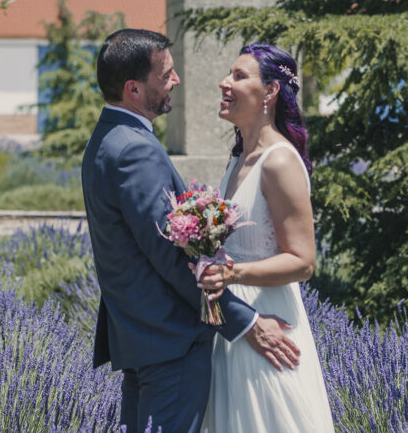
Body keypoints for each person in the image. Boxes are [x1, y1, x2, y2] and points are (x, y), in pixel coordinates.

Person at [81, 29, 301, 433]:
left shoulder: (105, 141)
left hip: (142, 338)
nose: (177, 80)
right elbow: (169, 255)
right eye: (165, 74)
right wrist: (247, 323)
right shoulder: (134, 149)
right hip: (170, 343)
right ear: (133, 88)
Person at [199, 43, 336, 432]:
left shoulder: (279, 161)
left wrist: (231, 274)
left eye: (239, 76)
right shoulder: (237, 160)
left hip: (270, 320)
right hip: (232, 321)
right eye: (229, 74)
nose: (225, 83)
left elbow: (303, 261)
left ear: (271, 91)